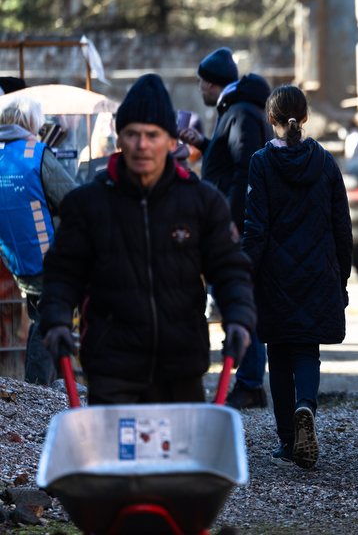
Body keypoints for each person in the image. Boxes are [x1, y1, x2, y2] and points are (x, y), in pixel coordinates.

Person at [39, 74, 256, 405]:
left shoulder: (202, 202)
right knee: (114, 457)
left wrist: (240, 317)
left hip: (181, 366)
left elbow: (229, 268)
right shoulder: (88, 204)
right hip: (111, 367)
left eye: (152, 135)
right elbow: (63, 272)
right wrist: (55, 321)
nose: (142, 145)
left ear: (171, 142)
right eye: (133, 134)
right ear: (119, 139)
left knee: (182, 457)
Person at [243, 85, 352, 469]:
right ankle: (306, 406)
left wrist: (242, 275)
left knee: (278, 352)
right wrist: (341, 278)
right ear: (304, 119)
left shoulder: (261, 162)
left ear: (270, 120)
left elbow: (255, 230)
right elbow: (343, 227)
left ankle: (289, 442)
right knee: (307, 350)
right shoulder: (325, 162)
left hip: (275, 275)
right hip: (320, 273)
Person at [179, 49, 272, 409]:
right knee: (232, 298)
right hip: (232, 224)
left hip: (232, 228)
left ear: (210, 81)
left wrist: (228, 224)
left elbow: (244, 170)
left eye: (201, 80)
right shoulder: (239, 110)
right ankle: (246, 381)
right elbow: (231, 159)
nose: (199, 87)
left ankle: (249, 383)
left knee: (235, 300)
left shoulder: (240, 112)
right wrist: (202, 144)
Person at [0, 95, 77, 385]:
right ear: (32, 123)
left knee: (41, 316)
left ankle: (52, 385)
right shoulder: (36, 153)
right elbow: (72, 198)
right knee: (47, 320)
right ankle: (37, 389)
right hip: (49, 257)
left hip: (17, 259)